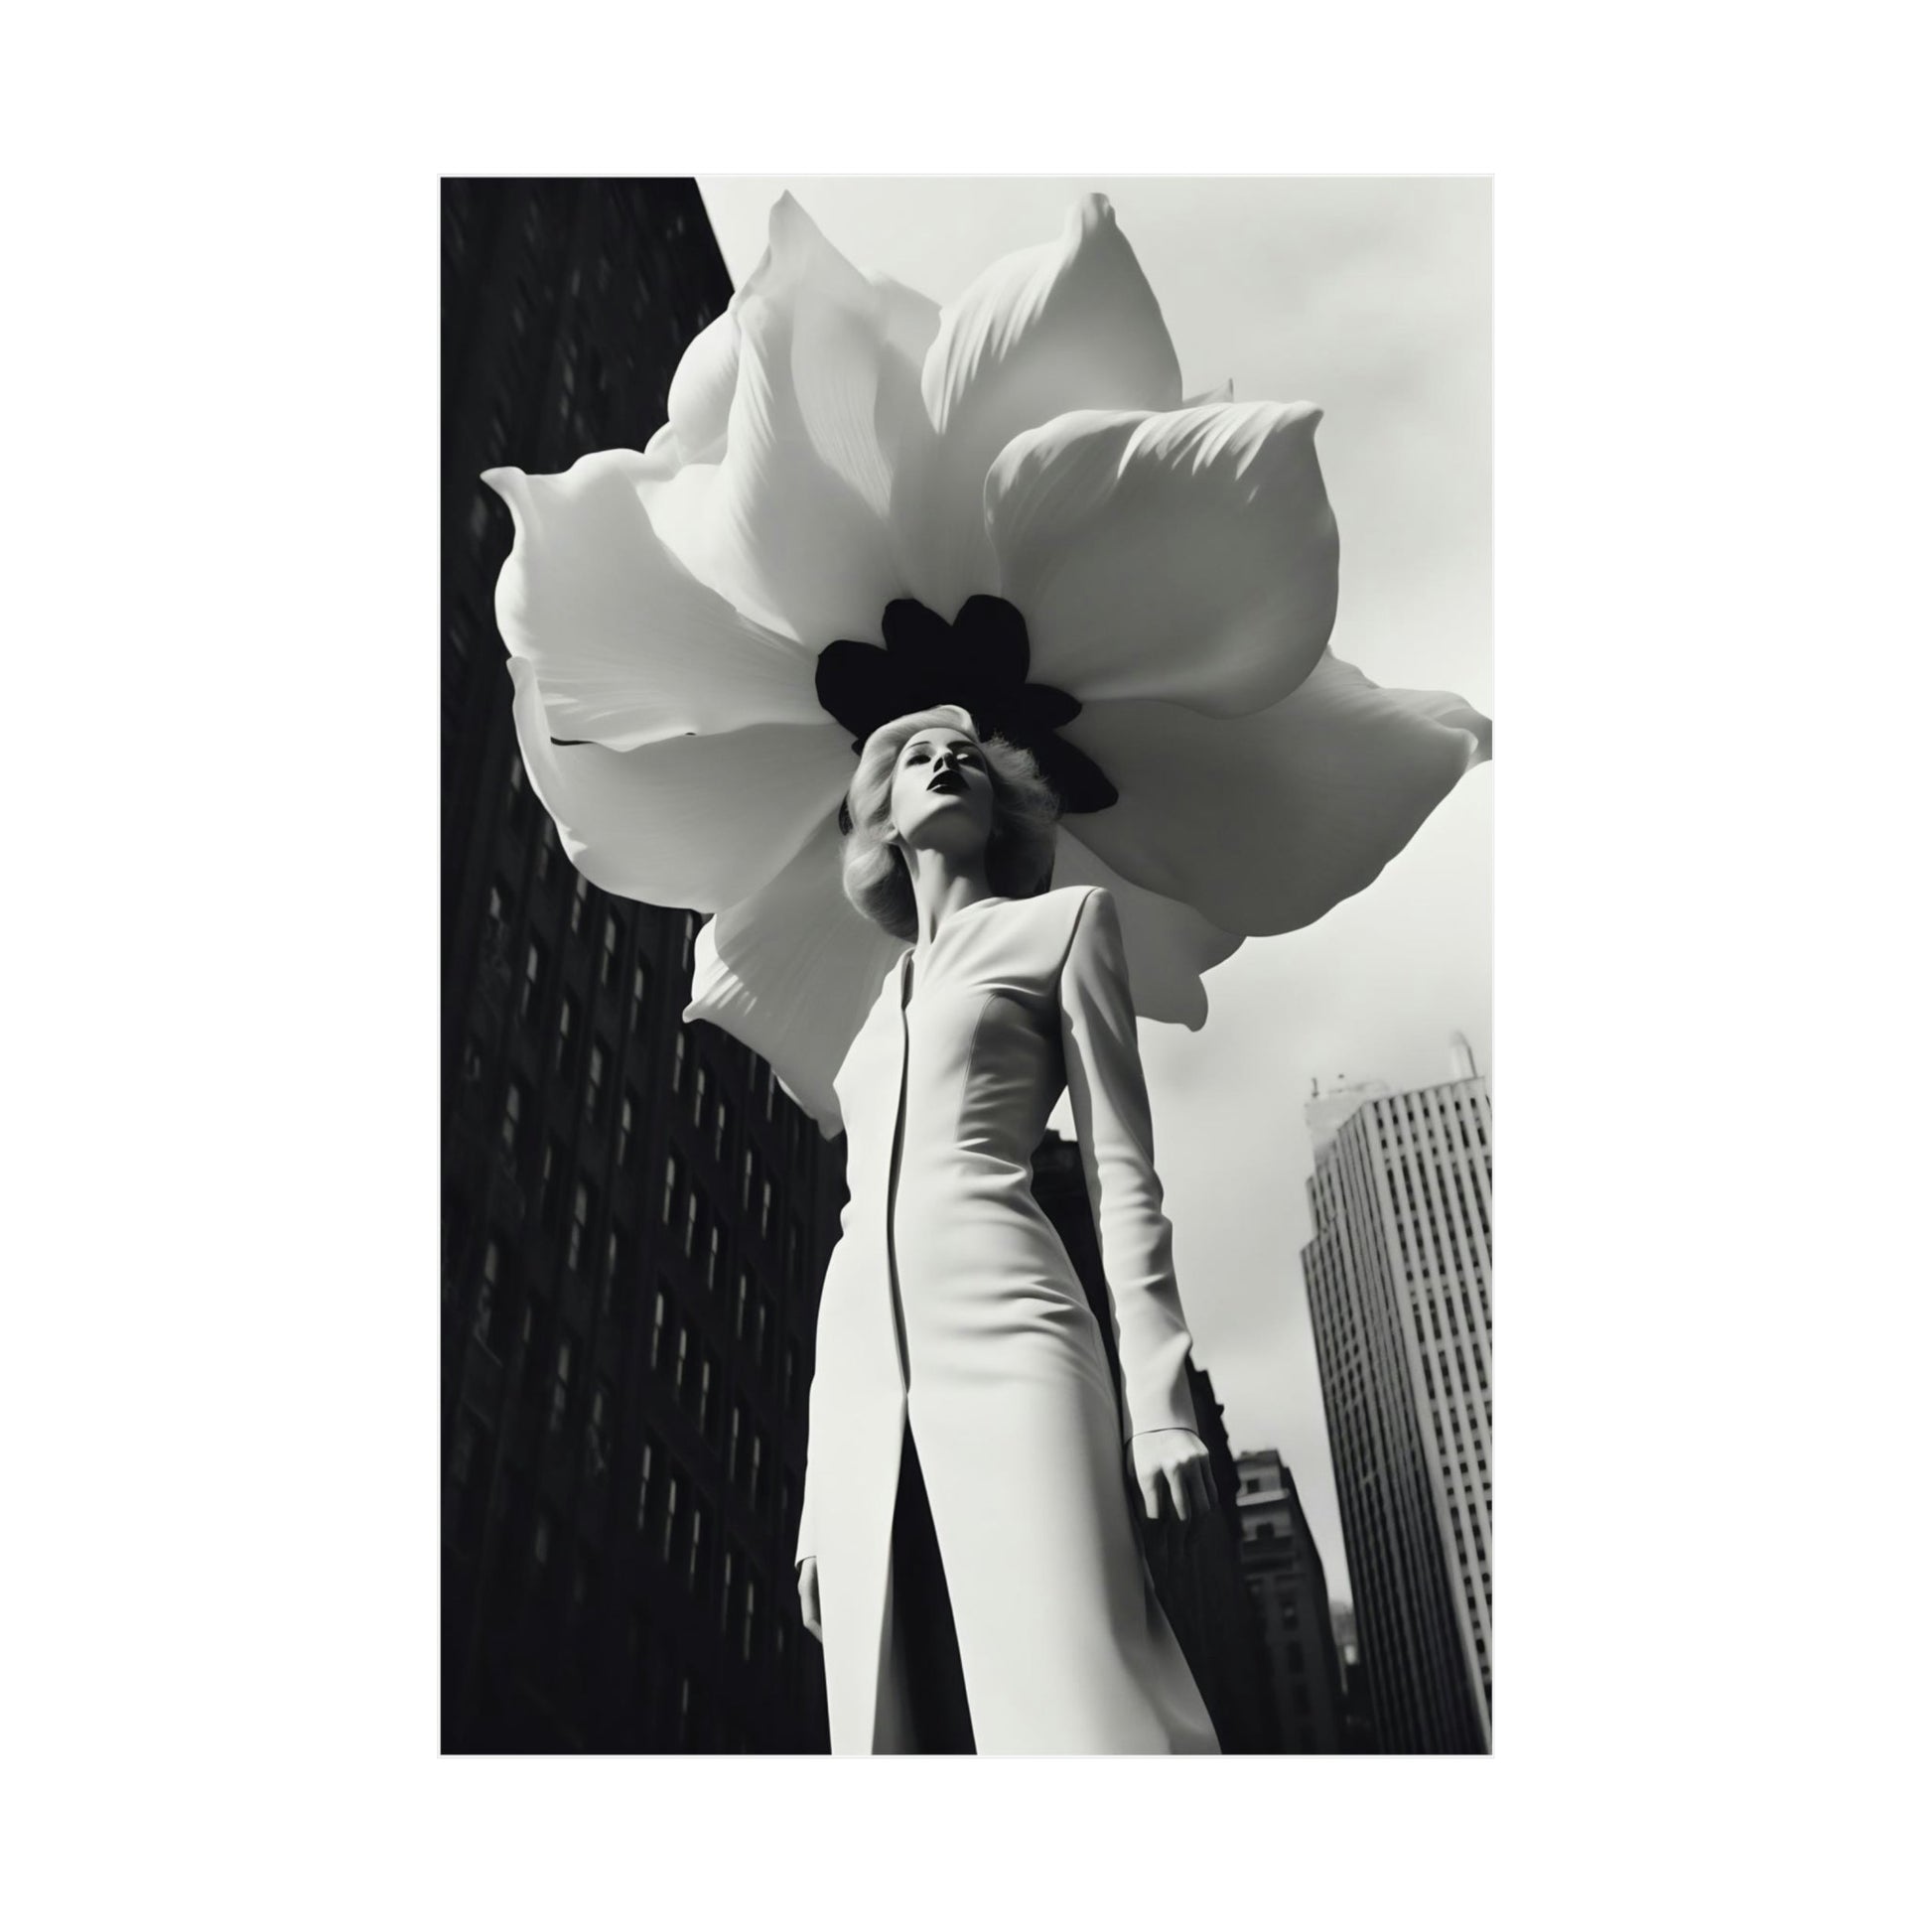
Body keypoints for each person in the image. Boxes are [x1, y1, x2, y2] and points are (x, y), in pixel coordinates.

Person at [793, 702, 1222, 1754]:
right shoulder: (870, 1010)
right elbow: (854, 1237)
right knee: (901, 1710)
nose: (945, 762)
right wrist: (816, 1495)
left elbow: (1122, 1166)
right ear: (884, 821)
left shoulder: (1064, 922)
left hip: (1014, 1327)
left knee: (1077, 1678)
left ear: (1001, 813)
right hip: (862, 1378)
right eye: (917, 759)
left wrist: (1158, 1395)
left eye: (969, 761)